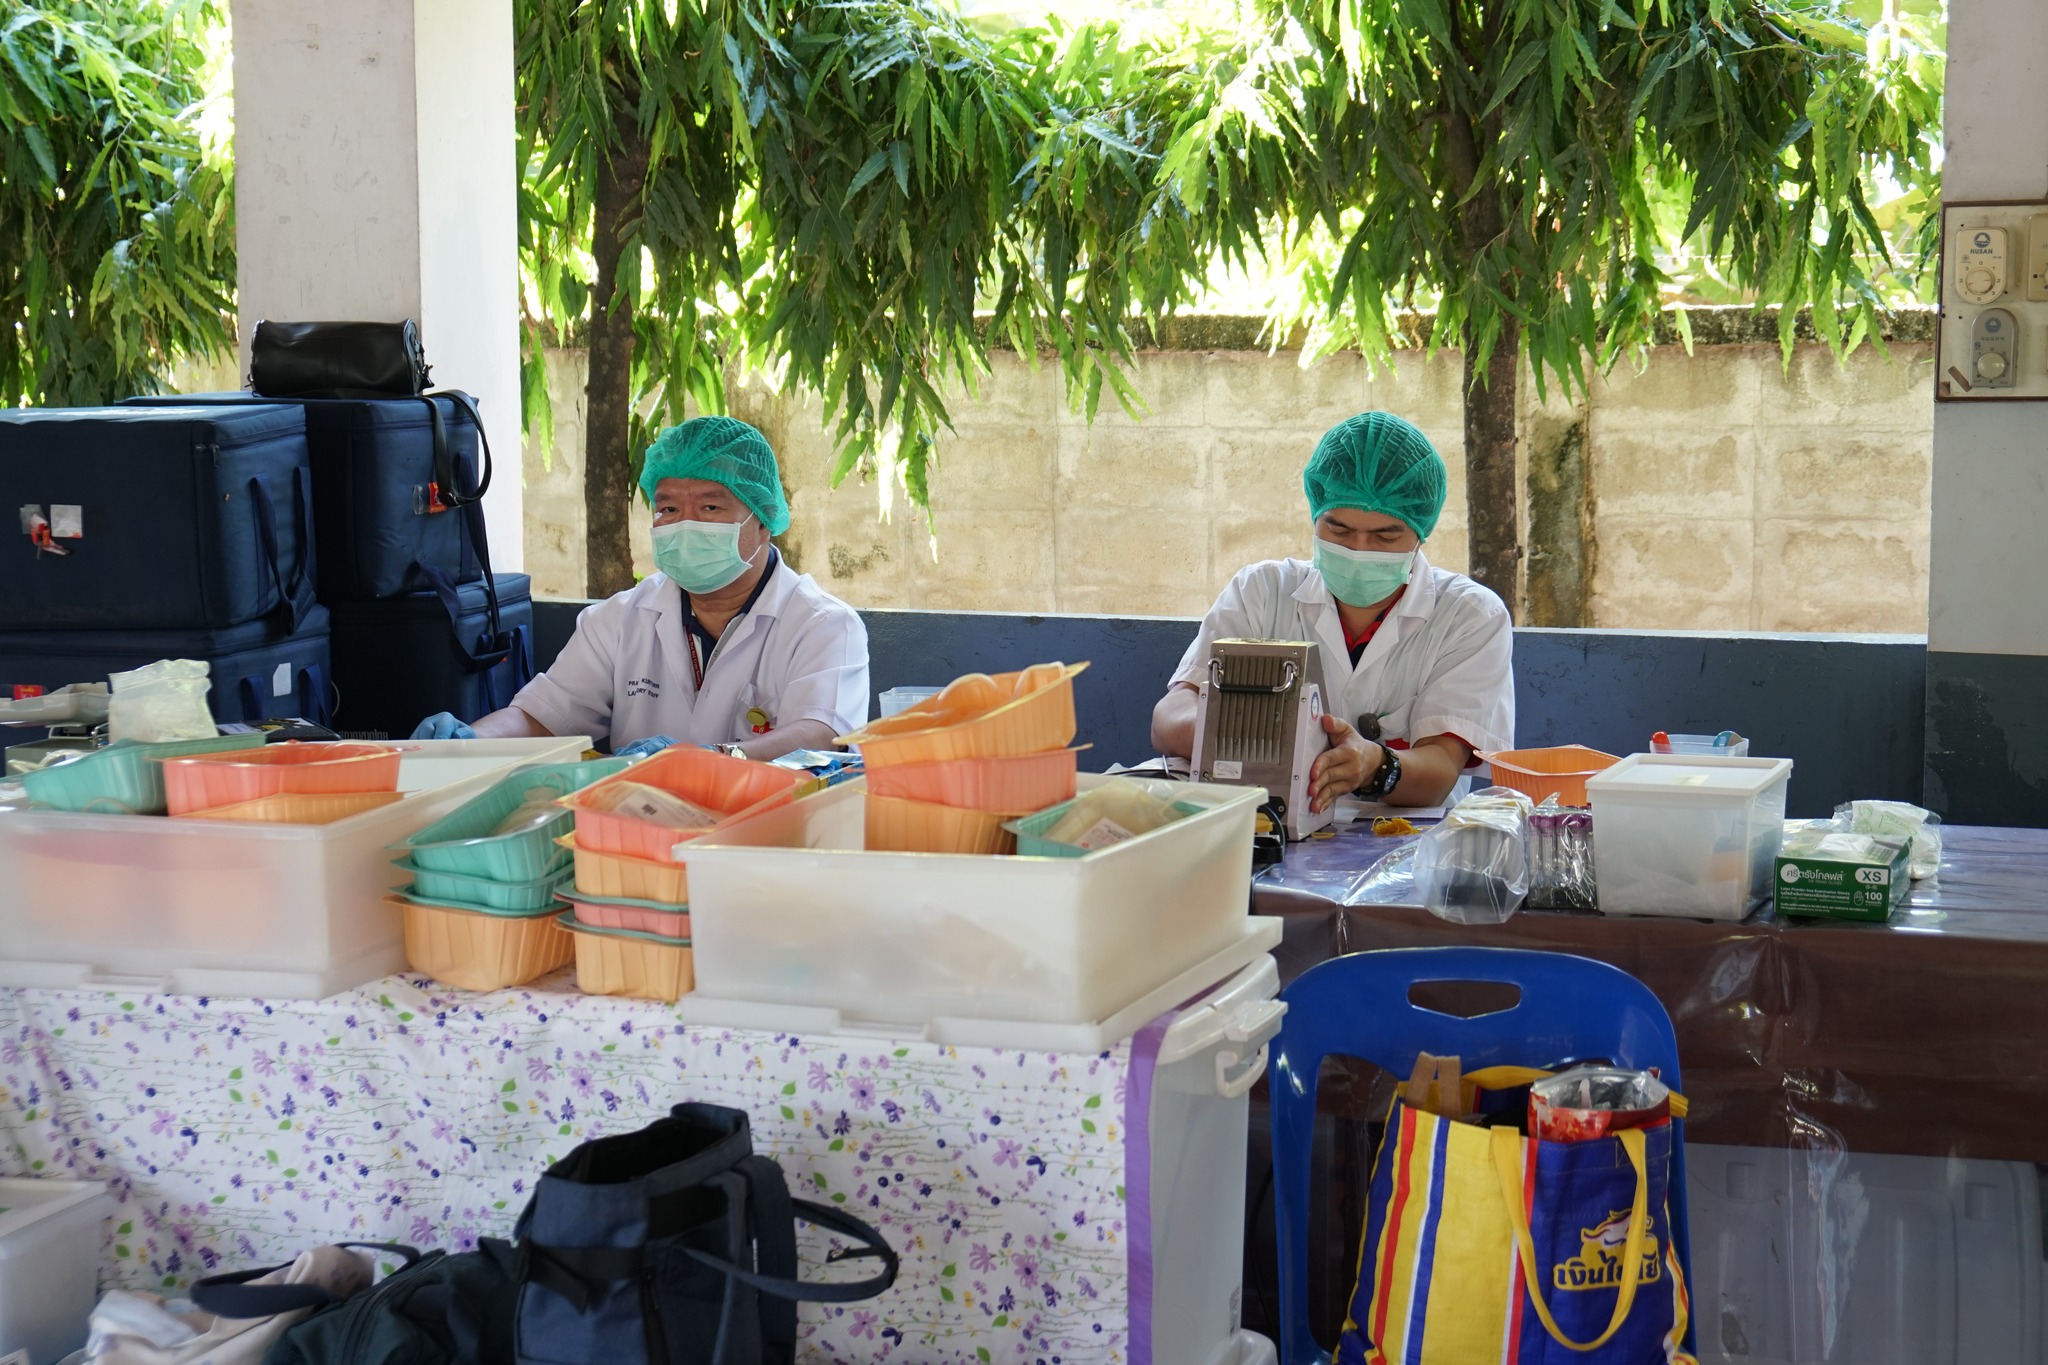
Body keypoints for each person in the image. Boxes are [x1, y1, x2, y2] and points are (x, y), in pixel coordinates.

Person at [413, 416, 869, 759]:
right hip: (636, 836)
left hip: (764, 844)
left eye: (710, 506)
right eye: (668, 509)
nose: (685, 524)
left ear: (764, 520)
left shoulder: (823, 625)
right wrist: (470, 741)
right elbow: (544, 716)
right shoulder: (620, 619)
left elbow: (821, 734)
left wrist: (709, 761)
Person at [1151, 410, 1513, 812]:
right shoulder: (1262, 591)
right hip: (1262, 823)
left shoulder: (1469, 617)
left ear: (1419, 533)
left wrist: (1375, 765)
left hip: (1396, 841)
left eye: (1385, 535)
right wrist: (1271, 741)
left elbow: (1440, 769)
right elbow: (1171, 714)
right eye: (1338, 530)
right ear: (1316, 515)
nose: (1358, 549)